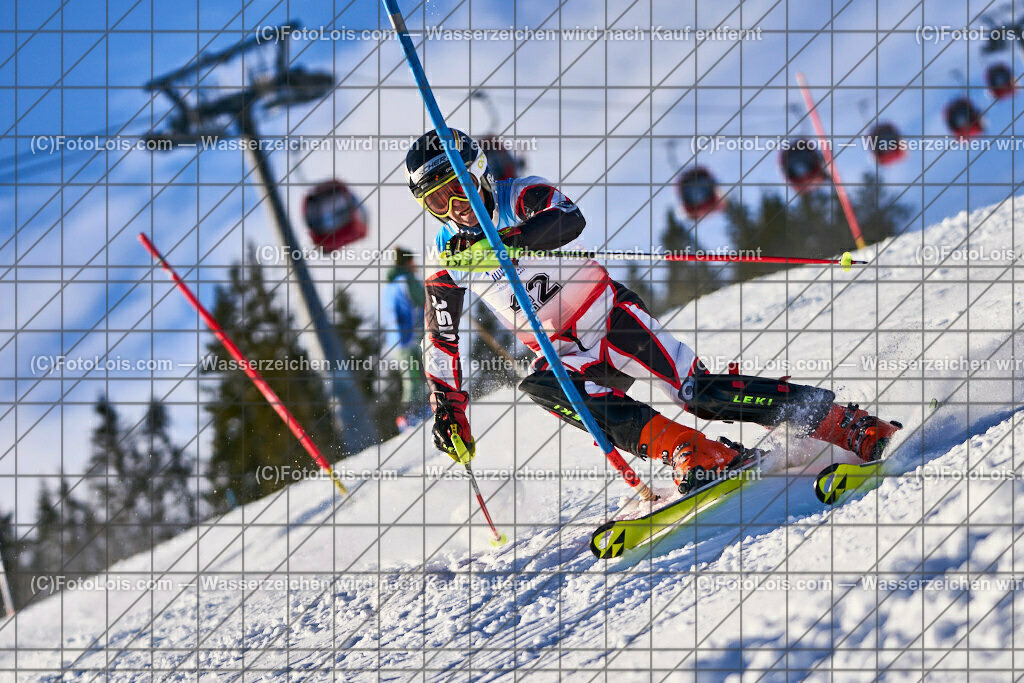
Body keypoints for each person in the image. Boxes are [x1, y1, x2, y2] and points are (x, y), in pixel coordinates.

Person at [407, 129, 901, 493]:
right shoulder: (447, 259)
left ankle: (841, 422)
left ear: (477, 171)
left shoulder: (522, 196)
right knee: (544, 384)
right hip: (561, 350)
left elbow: (568, 220)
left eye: (459, 187)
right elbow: (442, 340)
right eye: (439, 201)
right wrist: (446, 406)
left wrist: (508, 242)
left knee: (698, 392)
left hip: (611, 316)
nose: (457, 207)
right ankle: (692, 452)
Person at [384, 247, 428, 432]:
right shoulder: (406, 280)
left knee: (416, 375)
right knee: (415, 376)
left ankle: (419, 410)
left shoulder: (391, 284)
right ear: (407, 263)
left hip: (397, 339)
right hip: (408, 337)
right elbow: (423, 300)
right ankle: (409, 415)